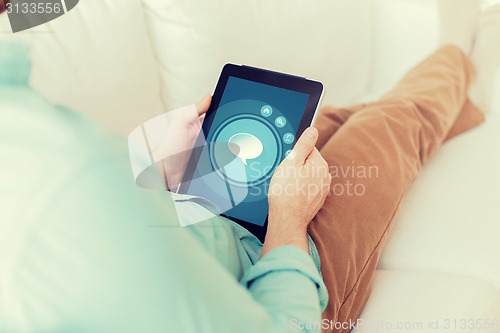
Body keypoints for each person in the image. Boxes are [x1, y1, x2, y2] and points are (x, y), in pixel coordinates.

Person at [1, 2, 498, 333]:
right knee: (392, 123)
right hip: (286, 274)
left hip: (204, 213)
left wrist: (143, 165)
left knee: (323, 122)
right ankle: (459, 55)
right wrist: (287, 219)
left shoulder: (35, 136)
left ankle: (452, 102)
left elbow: (111, 242)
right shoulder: (62, 177)